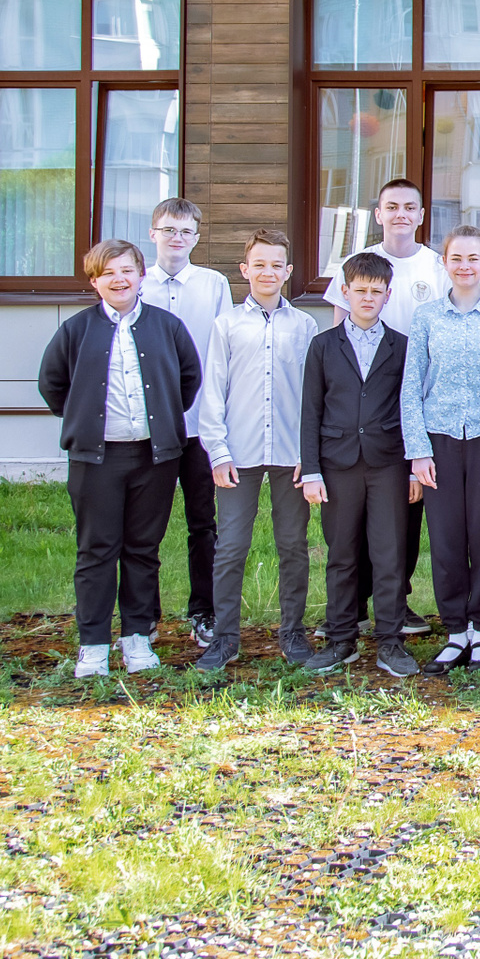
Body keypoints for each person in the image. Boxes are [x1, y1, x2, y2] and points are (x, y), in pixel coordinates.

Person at [40, 240, 202, 680]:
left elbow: (188, 380)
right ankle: (93, 645)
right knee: (96, 551)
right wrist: (84, 419)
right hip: (96, 460)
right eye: (108, 273)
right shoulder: (75, 330)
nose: (119, 280)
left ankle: (137, 638)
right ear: (95, 282)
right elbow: (52, 385)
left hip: (155, 457)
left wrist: (163, 418)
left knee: (142, 550)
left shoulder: (167, 327)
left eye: (127, 270)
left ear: (141, 275)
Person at [320, 178, 448, 638]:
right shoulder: (358, 263)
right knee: (352, 518)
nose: (400, 214)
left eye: (409, 207)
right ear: (378, 214)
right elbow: (339, 331)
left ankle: (397, 601)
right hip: (362, 395)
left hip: (414, 393)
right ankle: (351, 605)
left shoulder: (436, 267)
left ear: (421, 215)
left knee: (403, 509)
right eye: (391, 206)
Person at [401, 226, 480, 676]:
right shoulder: (427, 317)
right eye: (457, 258)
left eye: (474, 258)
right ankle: (455, 630)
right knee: (447, 537)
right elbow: (411, 387)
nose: (465, 266)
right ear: (444, 263)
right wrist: (418, 451)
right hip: (440, 440)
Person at [199, 229, 318, 671]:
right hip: (239, 453)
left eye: (276, 265)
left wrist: (310, 453)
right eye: (259, 264)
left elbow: (313, 396)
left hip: (291, 454)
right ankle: (225, 638)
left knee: (293, 544)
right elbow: (213, 391)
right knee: (231, 545)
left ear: (288, 272)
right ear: (244, 270)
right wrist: (218, 451)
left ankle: (293, 633)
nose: (268, 272)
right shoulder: (227, 325)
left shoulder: (304, 327)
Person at [300, 252, 417, 677]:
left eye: (376, 291)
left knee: (389, 554)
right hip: (338, 464)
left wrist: (413, 467)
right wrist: (311, 470)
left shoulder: (402, 346)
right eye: (360, 290)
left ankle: (390, 641)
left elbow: (411, 409)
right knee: (342, 554)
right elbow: (310, 411)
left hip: (388, 465)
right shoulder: (323, 346)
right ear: (345, 292)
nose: (368, 298)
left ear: (388, 295)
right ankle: (340, 639)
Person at [139, 198, 230, 648]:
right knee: (144, 526)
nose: (177, 238)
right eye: (169, 230)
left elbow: (226, 350)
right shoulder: (136, 283)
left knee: (203, 523)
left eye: (186, 231)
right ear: (153, 233)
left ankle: (204, 612)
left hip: (200, 426)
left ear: (196, 236)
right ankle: (143, 617)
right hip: (148, 427)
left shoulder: (213, 284)